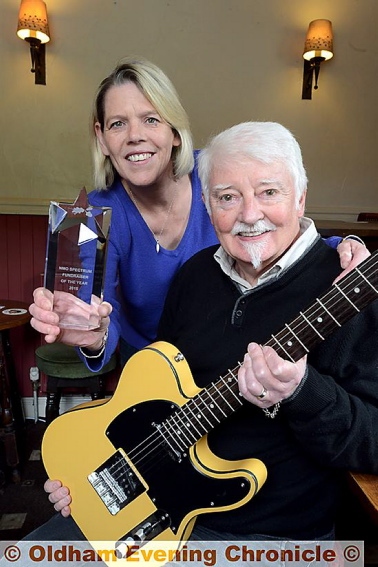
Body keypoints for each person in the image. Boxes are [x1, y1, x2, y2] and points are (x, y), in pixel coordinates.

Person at [30, 122, 377, 557]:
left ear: (301, 197)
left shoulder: (351, 289)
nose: (249, 215)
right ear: (208, 209)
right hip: (147, 503)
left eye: (269, 192)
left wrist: (303, 392)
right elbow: (148, 394)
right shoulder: (194, 276)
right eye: (227, 197)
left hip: (267, 537)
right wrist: (93, 473)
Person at [29, 58, 367, 374]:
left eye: (151, 119)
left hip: (226, 348)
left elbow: (275, 220)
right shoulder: (88, 218)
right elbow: (98, 316)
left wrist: (342, 245)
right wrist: (93, 334)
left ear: (174, 131)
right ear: (102, 138)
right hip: (150, 362)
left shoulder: (217, 174)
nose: (135, 136)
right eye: (118, 124)